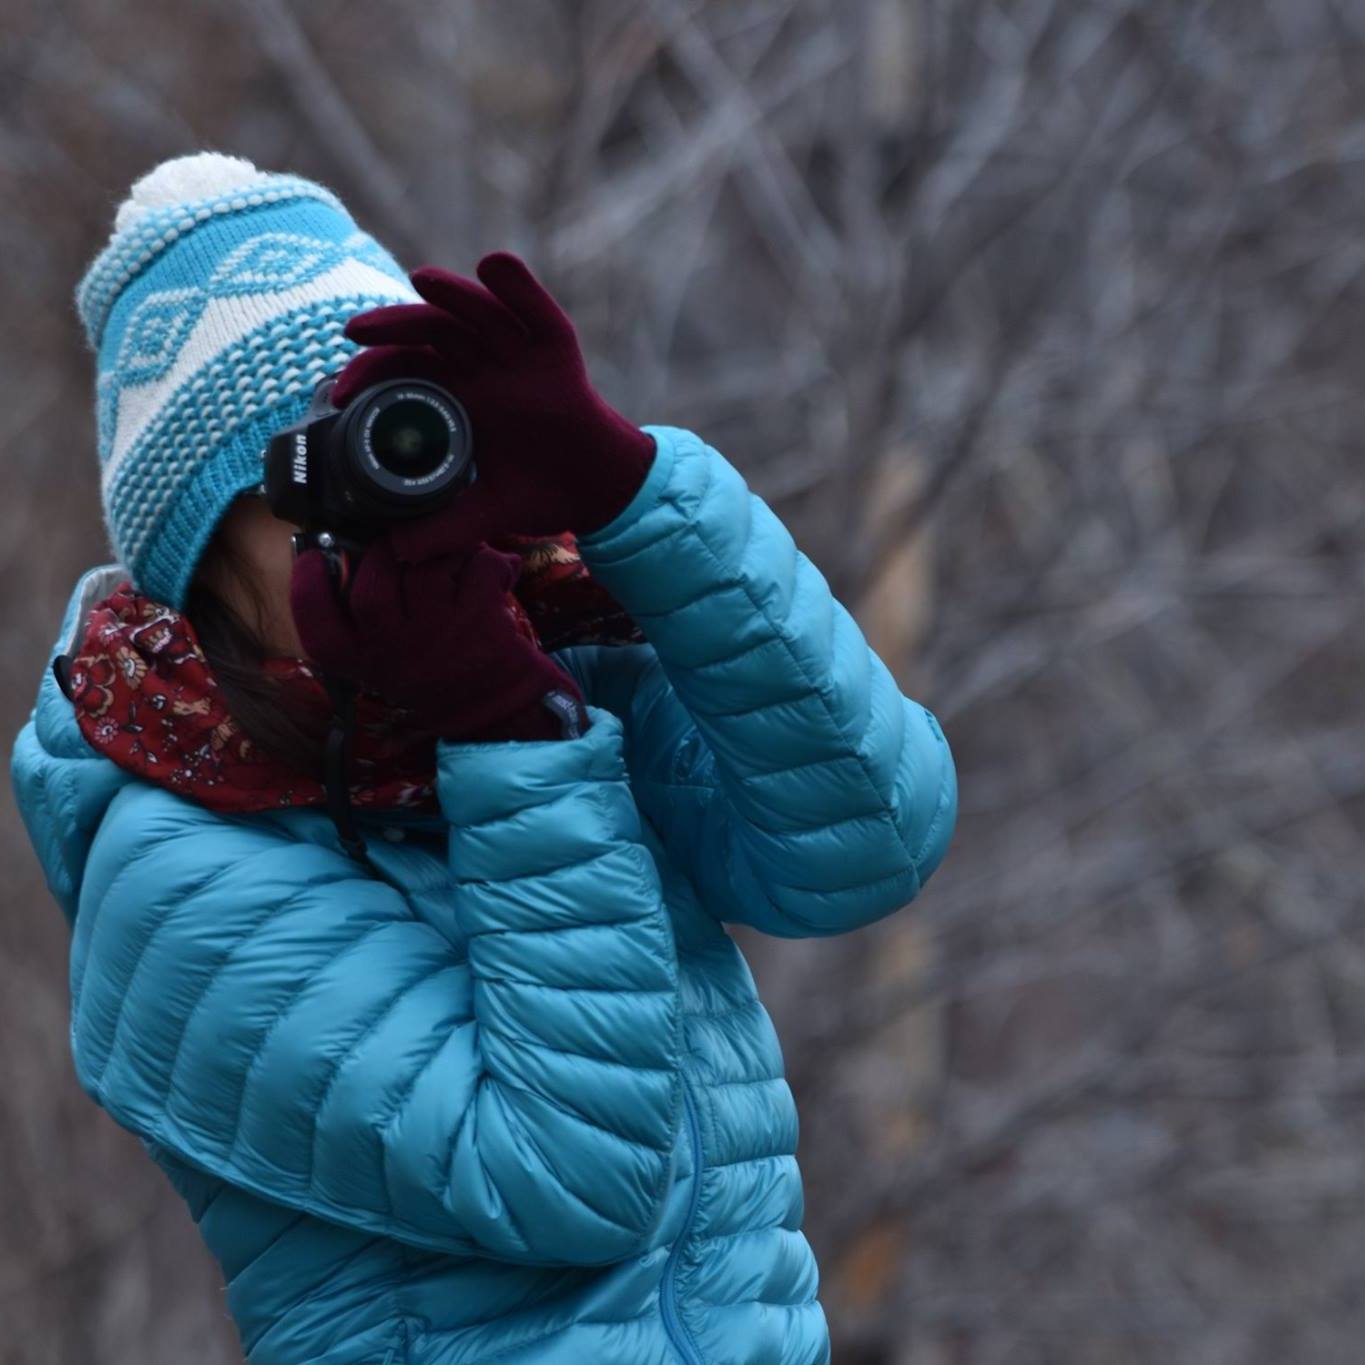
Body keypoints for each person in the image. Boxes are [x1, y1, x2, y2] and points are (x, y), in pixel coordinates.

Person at [10, 153, 957, 1365]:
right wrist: (509, 733)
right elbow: (577, 1174)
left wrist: (632, 492)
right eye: (316, 492)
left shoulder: (560, 663)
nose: (375, 522)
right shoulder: (170, 875)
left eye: (393, 453)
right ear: (202, 572)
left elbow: (871, 835)